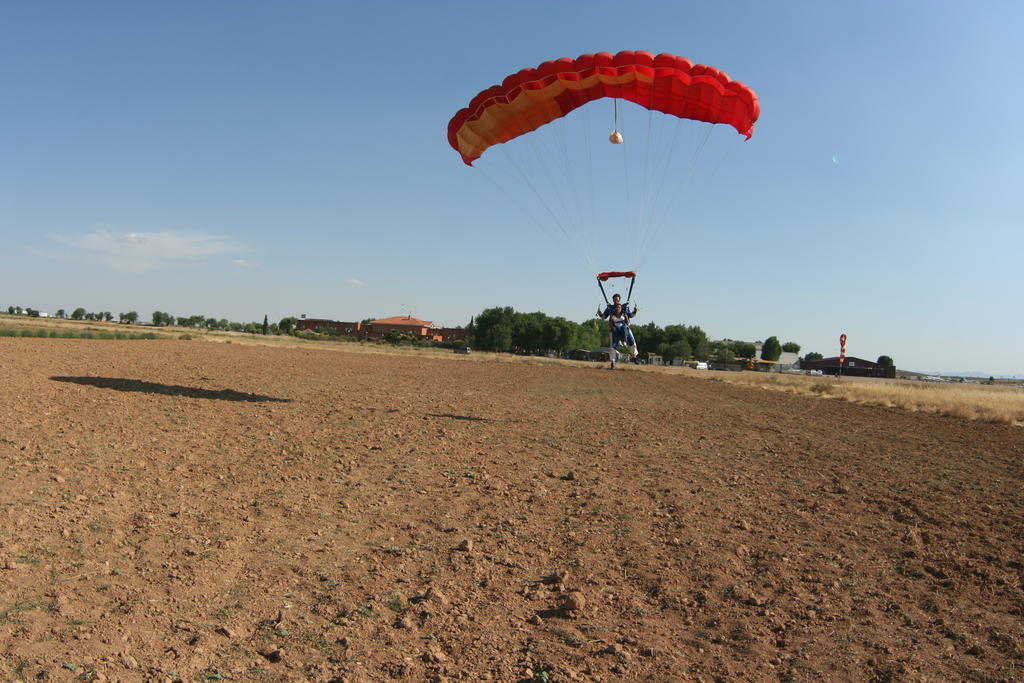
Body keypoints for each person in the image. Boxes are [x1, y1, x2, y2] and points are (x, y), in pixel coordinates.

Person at [604, 302, 639, 368]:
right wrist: (610, 320)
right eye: (616, 307)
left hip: (624, 330)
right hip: (616, 331)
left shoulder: (625, 312)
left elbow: (630, 317)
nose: (618, 308)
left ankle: (634, 356)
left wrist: (634, 312)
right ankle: (613, 362)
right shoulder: (612, 313)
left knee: (632, 342)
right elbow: (605, 319)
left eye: (619, 307)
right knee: (612, 346)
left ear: (621, 308)